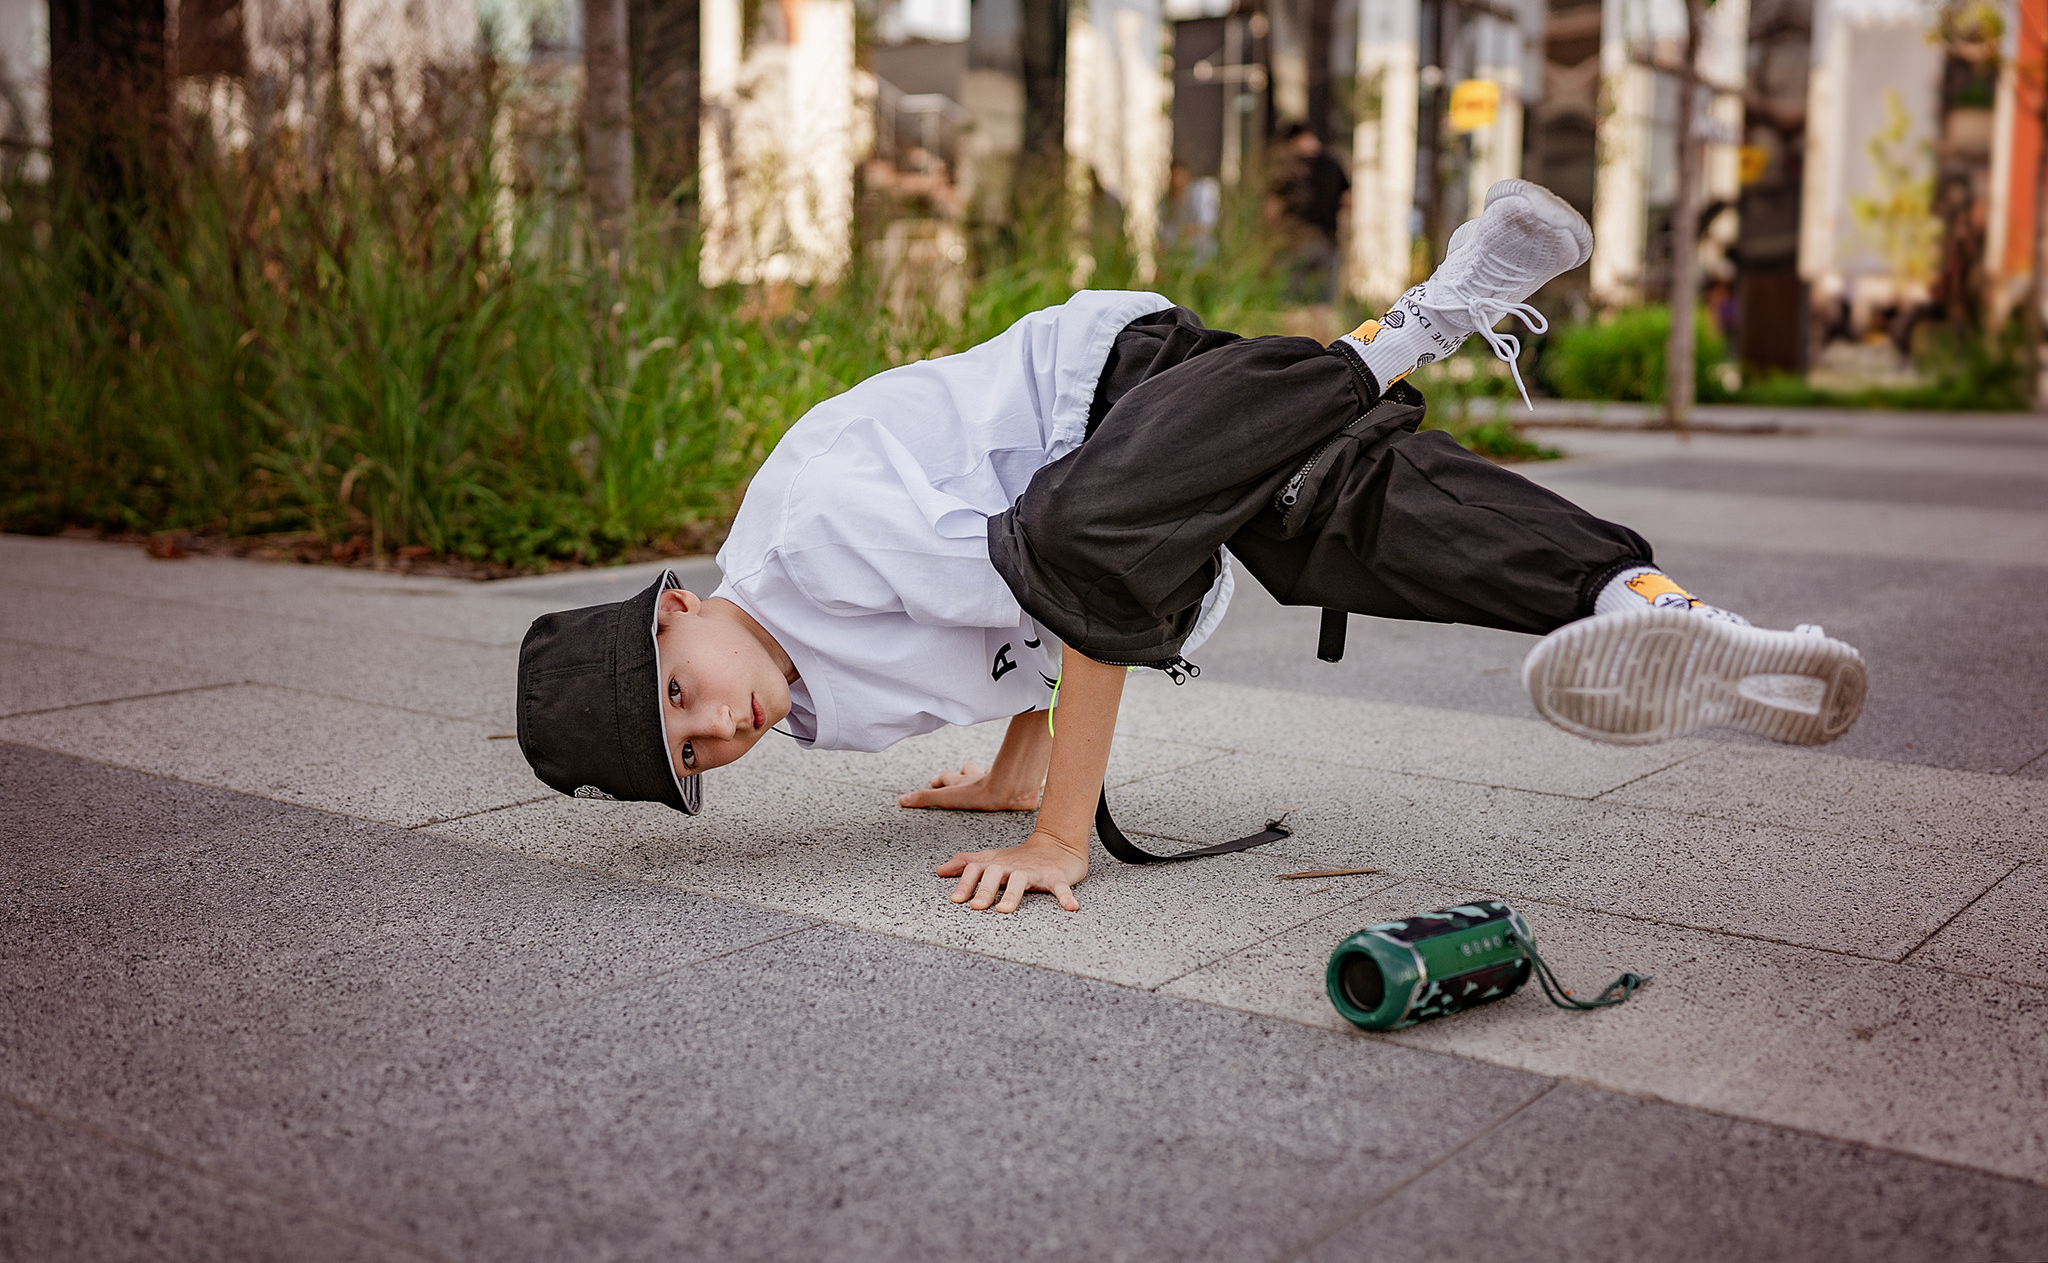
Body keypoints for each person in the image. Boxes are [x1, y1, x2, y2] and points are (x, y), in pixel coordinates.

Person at [516, 180, 1868, 915]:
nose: (715, 727)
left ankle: (1406, 331)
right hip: (1177, 479)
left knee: (1086, 528)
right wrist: (1010, 767)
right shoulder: (814, 704)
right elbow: (1019, 642)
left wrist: (1059, 835)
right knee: (1373, 529)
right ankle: (1675, 614)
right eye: (694, 754)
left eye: (677, 689)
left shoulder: (807, 537)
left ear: (680, 603)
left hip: (1121, 388)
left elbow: (1077, 582)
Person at [1265, 121, 1350, 303]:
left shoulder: (1290, 167)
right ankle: (1320, 333)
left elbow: (1272, 208)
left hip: (1295, 243)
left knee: (1291, 299)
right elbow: (1348, 200)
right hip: (1327, 240)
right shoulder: (1334, 163)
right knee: (1323, 302)